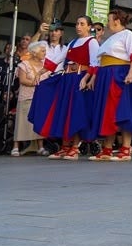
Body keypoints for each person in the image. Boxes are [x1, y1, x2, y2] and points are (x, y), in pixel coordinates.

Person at [86, 10, 132, 162]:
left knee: (122, 111)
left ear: (117, 21)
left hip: (119, 74)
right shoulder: (111, 38)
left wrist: (131, 73)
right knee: (108, 112)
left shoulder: (128, 35)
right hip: (106, 75)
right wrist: (94, 77)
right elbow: (100, 60)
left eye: (109, 20)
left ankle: (125, 149)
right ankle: (107, 149)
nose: (107, 23)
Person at [42, 16, 99, 161]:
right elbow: (59, 59)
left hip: (80, 79)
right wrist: (40, 72)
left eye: (82, 24)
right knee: (64, 112)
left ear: (89, 26)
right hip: (67, 79)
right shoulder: (72, 42)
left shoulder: (92, 42)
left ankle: (74, 148)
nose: (78, 26)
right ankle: (65, 147)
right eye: (77, 23)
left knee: (76, 113)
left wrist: (86, 79)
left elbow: (95, 63)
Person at [12, 41, 50, 156]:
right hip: (27, 96)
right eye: (42, 51)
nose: (45, 53)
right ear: (34, 52)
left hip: (40, 98)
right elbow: (22, 80)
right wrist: (37, 83)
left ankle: (40, 146)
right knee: (22, 122)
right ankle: (16, 146)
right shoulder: (24, 64)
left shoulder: (45, 66)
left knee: (38, 122)